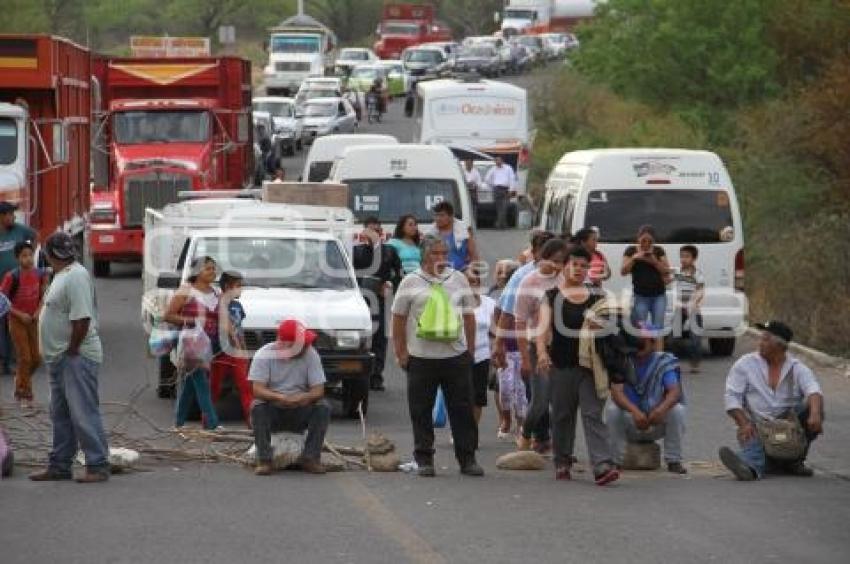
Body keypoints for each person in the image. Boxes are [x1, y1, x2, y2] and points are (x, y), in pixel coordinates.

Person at [391, 235, 483, 477]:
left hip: (455, 356)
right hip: (421, 357)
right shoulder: (410, 283)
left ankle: (467, 458)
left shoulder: (458, 279)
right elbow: (398, 319)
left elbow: (469, 316)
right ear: (424, 256)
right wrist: (401, 352)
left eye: (445, 254)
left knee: (462, 409)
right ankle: (424, 458)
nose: (441, 259)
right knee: (420, 410)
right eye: (435, 254)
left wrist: (470, 350)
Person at [536, 246, 620, 485]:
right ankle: (562, 460)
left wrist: (601, 327)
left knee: (593, 413)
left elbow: (612, 327)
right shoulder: (551, 296)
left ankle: (602, 464)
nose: (579, 270)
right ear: (564, 267)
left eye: (584, 265)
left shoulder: (598, 297)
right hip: (561, 364)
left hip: (592, 366)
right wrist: (542, 353)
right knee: (562, 415)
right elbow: (542, 328)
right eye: (575, 265)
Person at [29, 232, 109, 483]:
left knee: (83, 412)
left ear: (49, 255)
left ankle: (97, 464)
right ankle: (60, 464)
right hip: (59, 358)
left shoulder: (75, 276)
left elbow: (81, 319)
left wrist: (72, 349)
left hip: (75, 356)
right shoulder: (61, 275)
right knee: (60, 414)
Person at [719, 321, 824, 481]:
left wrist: (815, 414)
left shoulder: (796, 367)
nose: (760, 343)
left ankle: (794, 461)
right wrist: (743, 423)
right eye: (761, 338)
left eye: (765, 339)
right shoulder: (745, 364)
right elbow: (732, 397)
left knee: (813, 409)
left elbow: (814, 390)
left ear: (779, 346)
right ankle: (750, 468)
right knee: (752, 441)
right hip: (757, 425)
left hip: (788, 426)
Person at [493, 230, 554, 444]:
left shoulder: (563, 274)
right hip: (530, 342)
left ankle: (545, 437)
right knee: (538, 396)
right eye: (544, 251)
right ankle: (537, 435)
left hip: (560, 343)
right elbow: (508, 311)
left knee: (556, 396)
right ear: (535, 252)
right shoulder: (522, 277)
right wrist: (499, 344)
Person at [249, 319, 331, 476]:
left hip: (300, 408)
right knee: (257, 406)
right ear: (285, 344)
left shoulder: (311, 354)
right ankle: (265, 460)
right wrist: (279, 398)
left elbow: (318, 390)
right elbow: (257, 390)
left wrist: (302, 398)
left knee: (323, 407)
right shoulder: (264, 354)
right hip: (273, 409)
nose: (305, 346)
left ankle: (311, 457)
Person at [606, 327, 688, 474]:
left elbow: (674, 392)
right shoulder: (622, 360)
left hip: (655, 419)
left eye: (642, 342)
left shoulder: (663, 361)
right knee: (612, 410)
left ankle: (673, 460)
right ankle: (615, 461)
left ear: (653, 343)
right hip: (630, 420)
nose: (638, 346)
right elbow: (616, 393)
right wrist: (635, 411)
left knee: (677, 411)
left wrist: (660, 410)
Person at [514, 238, 569, 452]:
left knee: (562, 401)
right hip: (536, 347)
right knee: (540, 400)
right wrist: (525, 359)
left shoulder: (564, 279)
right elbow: (519, 321)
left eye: (562, 261)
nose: (557, 265)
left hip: (562, 347)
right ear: (541, 258)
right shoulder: (529, 282)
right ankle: (526, 434)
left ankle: (561, 447)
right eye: (554, 260)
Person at [164, 256, 221, 431]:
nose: (212, 272)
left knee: (191, 383)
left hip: (210, 344)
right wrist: (188, 320)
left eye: (213, 268)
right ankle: (212, 423)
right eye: (208, 268)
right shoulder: (185, 291)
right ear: (197, 272)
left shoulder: (215, 292)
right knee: (201, 382)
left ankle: (178, 422)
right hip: (191, 342)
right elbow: (168, 315)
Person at [353, 217, 403, 391]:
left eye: (378, 231)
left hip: (378, 300)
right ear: (364, 233)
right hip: (358, 300)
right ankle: (357, 374)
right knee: (359, 335)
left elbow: (398, 274)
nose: (375, 234)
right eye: (371, 231)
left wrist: (388, 283)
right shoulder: (356, 251)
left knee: (379, 337)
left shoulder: (389, 251)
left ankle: (376, 375)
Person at [1, 241, 47, 408]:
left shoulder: (40, 274)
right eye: (24, 256)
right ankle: (25, 395)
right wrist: (20, 315)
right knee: (25, 357)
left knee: (36, 358)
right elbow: (3, 301)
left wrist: (37, 312)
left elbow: (44, 296)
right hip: (17, 321)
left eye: (30, 255)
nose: (28, 259)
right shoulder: (11, 276)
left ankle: (20, 380)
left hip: (33, 320)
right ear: (17, 258)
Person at [210, 271, 253, 426]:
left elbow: (239, 329)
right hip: (220, 352)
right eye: (238, 286)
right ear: (227, 287)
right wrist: (235, 340)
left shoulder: (237, 306)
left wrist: (244, 350)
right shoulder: (218, 302)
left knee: (245, 386)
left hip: (236, 353)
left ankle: (252, 420)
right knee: (214, 388)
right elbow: (225, 324)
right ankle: (208, 420)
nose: (241, 289)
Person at [0, 201, 36, 375]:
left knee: (15, 320)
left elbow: (34, 236)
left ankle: (19, 358)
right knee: (2, 323)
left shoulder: (20, 230)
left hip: (18, 285)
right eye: (9, 214)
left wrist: (29, 256)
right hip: (2, 287)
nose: (13, 217)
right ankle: (4, 360)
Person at [621, 225, 671, 334]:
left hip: (659, 295)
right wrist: (634, 258)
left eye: (649, 241)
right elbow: (623, 272)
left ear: (653, 241)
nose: (646, 244)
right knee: (640, 326)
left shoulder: (658, 251)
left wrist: (654, 261)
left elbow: (666, 271)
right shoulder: (631, 250)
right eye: (643, 240)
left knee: (658, 326)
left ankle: (657, 349)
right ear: (638, 239)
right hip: (640, 295)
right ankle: (647, 347)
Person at [488, 259, 519, 435]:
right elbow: (493, 318)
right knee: (500, 386)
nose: (501, 275)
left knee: (521, 388)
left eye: (505, 272)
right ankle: (505, 418)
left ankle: (522, 423)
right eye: (498, 271)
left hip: (520, 345)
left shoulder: (520, 292)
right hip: (501, 345)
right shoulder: (493, 293)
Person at [465, 266, 496, 428]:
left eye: (475, 282)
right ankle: (460, 430)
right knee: (460, 397)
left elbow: (495, 331)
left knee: (478, 397)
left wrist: (497, 351)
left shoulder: (489, 303)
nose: (472, 285)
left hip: (482, 356)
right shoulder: (453, 303)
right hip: (459, 356)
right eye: (468, 282)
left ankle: (472, 431)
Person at [674, 245, 705, 373]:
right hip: (680, 308)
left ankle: (695, 363)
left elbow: (700, 291)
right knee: (673, 337)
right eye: (682, 256)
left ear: (694, 258)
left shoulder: (698, 274)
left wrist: (692, 304)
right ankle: (672, 363)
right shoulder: (677, 272)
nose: (683, 259)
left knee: (695, 338)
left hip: (693, 308)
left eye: (687, 256)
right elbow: (668, 279)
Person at [424, 201, 479, 272]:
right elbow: (425, 258)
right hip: (438, 273)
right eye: (436, 215)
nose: (438, 218)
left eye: (441, 215)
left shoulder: (464, 230)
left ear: (451, 216)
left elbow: (473, 255)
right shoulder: (430, 233)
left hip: (462, 272)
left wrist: (473, 272)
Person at [483, 155, 518, 229]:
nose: (497, 162)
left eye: (499, 160)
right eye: (496, 160)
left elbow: (512, 179)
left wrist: (511, 190)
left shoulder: (508, 168)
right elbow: (487, 179)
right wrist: (493, 185)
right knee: (499, 208)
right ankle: (503, 224)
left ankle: (498, 224)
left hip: (505, 190)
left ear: (502, 160)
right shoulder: (492, 169)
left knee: (504, 207)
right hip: (497, 190)